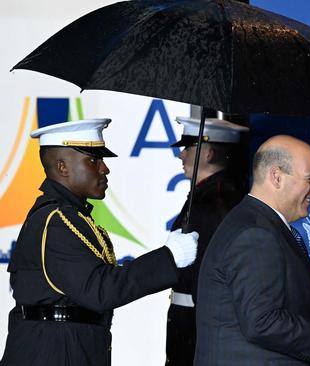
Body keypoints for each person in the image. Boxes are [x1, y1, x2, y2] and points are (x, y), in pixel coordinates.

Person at [0, 119, 198, 366]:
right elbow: (99, 290)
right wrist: (169, 257)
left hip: (63, 347)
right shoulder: (57, 221)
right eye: (93, 161)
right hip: (55, 352)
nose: (104, 169)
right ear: (63, 167)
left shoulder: (69, 216)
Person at [194, 135, 310, 365]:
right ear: (276, 177)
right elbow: (262, 322)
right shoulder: (255, 234)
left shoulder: (258, 224)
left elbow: (278, 308)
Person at [165, 116, 248, 365]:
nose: (181, 156)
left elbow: (210, 273)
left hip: (198, 329)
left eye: (188, 148)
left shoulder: (216, 202)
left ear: (209, 153)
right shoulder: (209, 195)